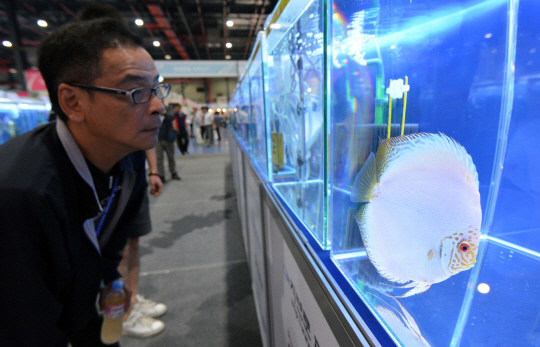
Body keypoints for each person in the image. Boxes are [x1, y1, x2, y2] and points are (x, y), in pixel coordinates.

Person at [0, 19, 170, 346]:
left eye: (157, 88)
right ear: (73, 102)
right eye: (136, 91)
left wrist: (109, 280)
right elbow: (26, 327)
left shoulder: (128, 162)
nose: (158, 106)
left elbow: (106, 249)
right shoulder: (20, 197)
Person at [156, 104, 180, 182]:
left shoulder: (167, 109)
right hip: (158, 139)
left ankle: (173, 172)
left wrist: (164, 113)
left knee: (171, 157)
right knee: (159, 159)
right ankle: (161, 176)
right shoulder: (155, 112)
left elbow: (171, 117)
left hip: (168, 138)